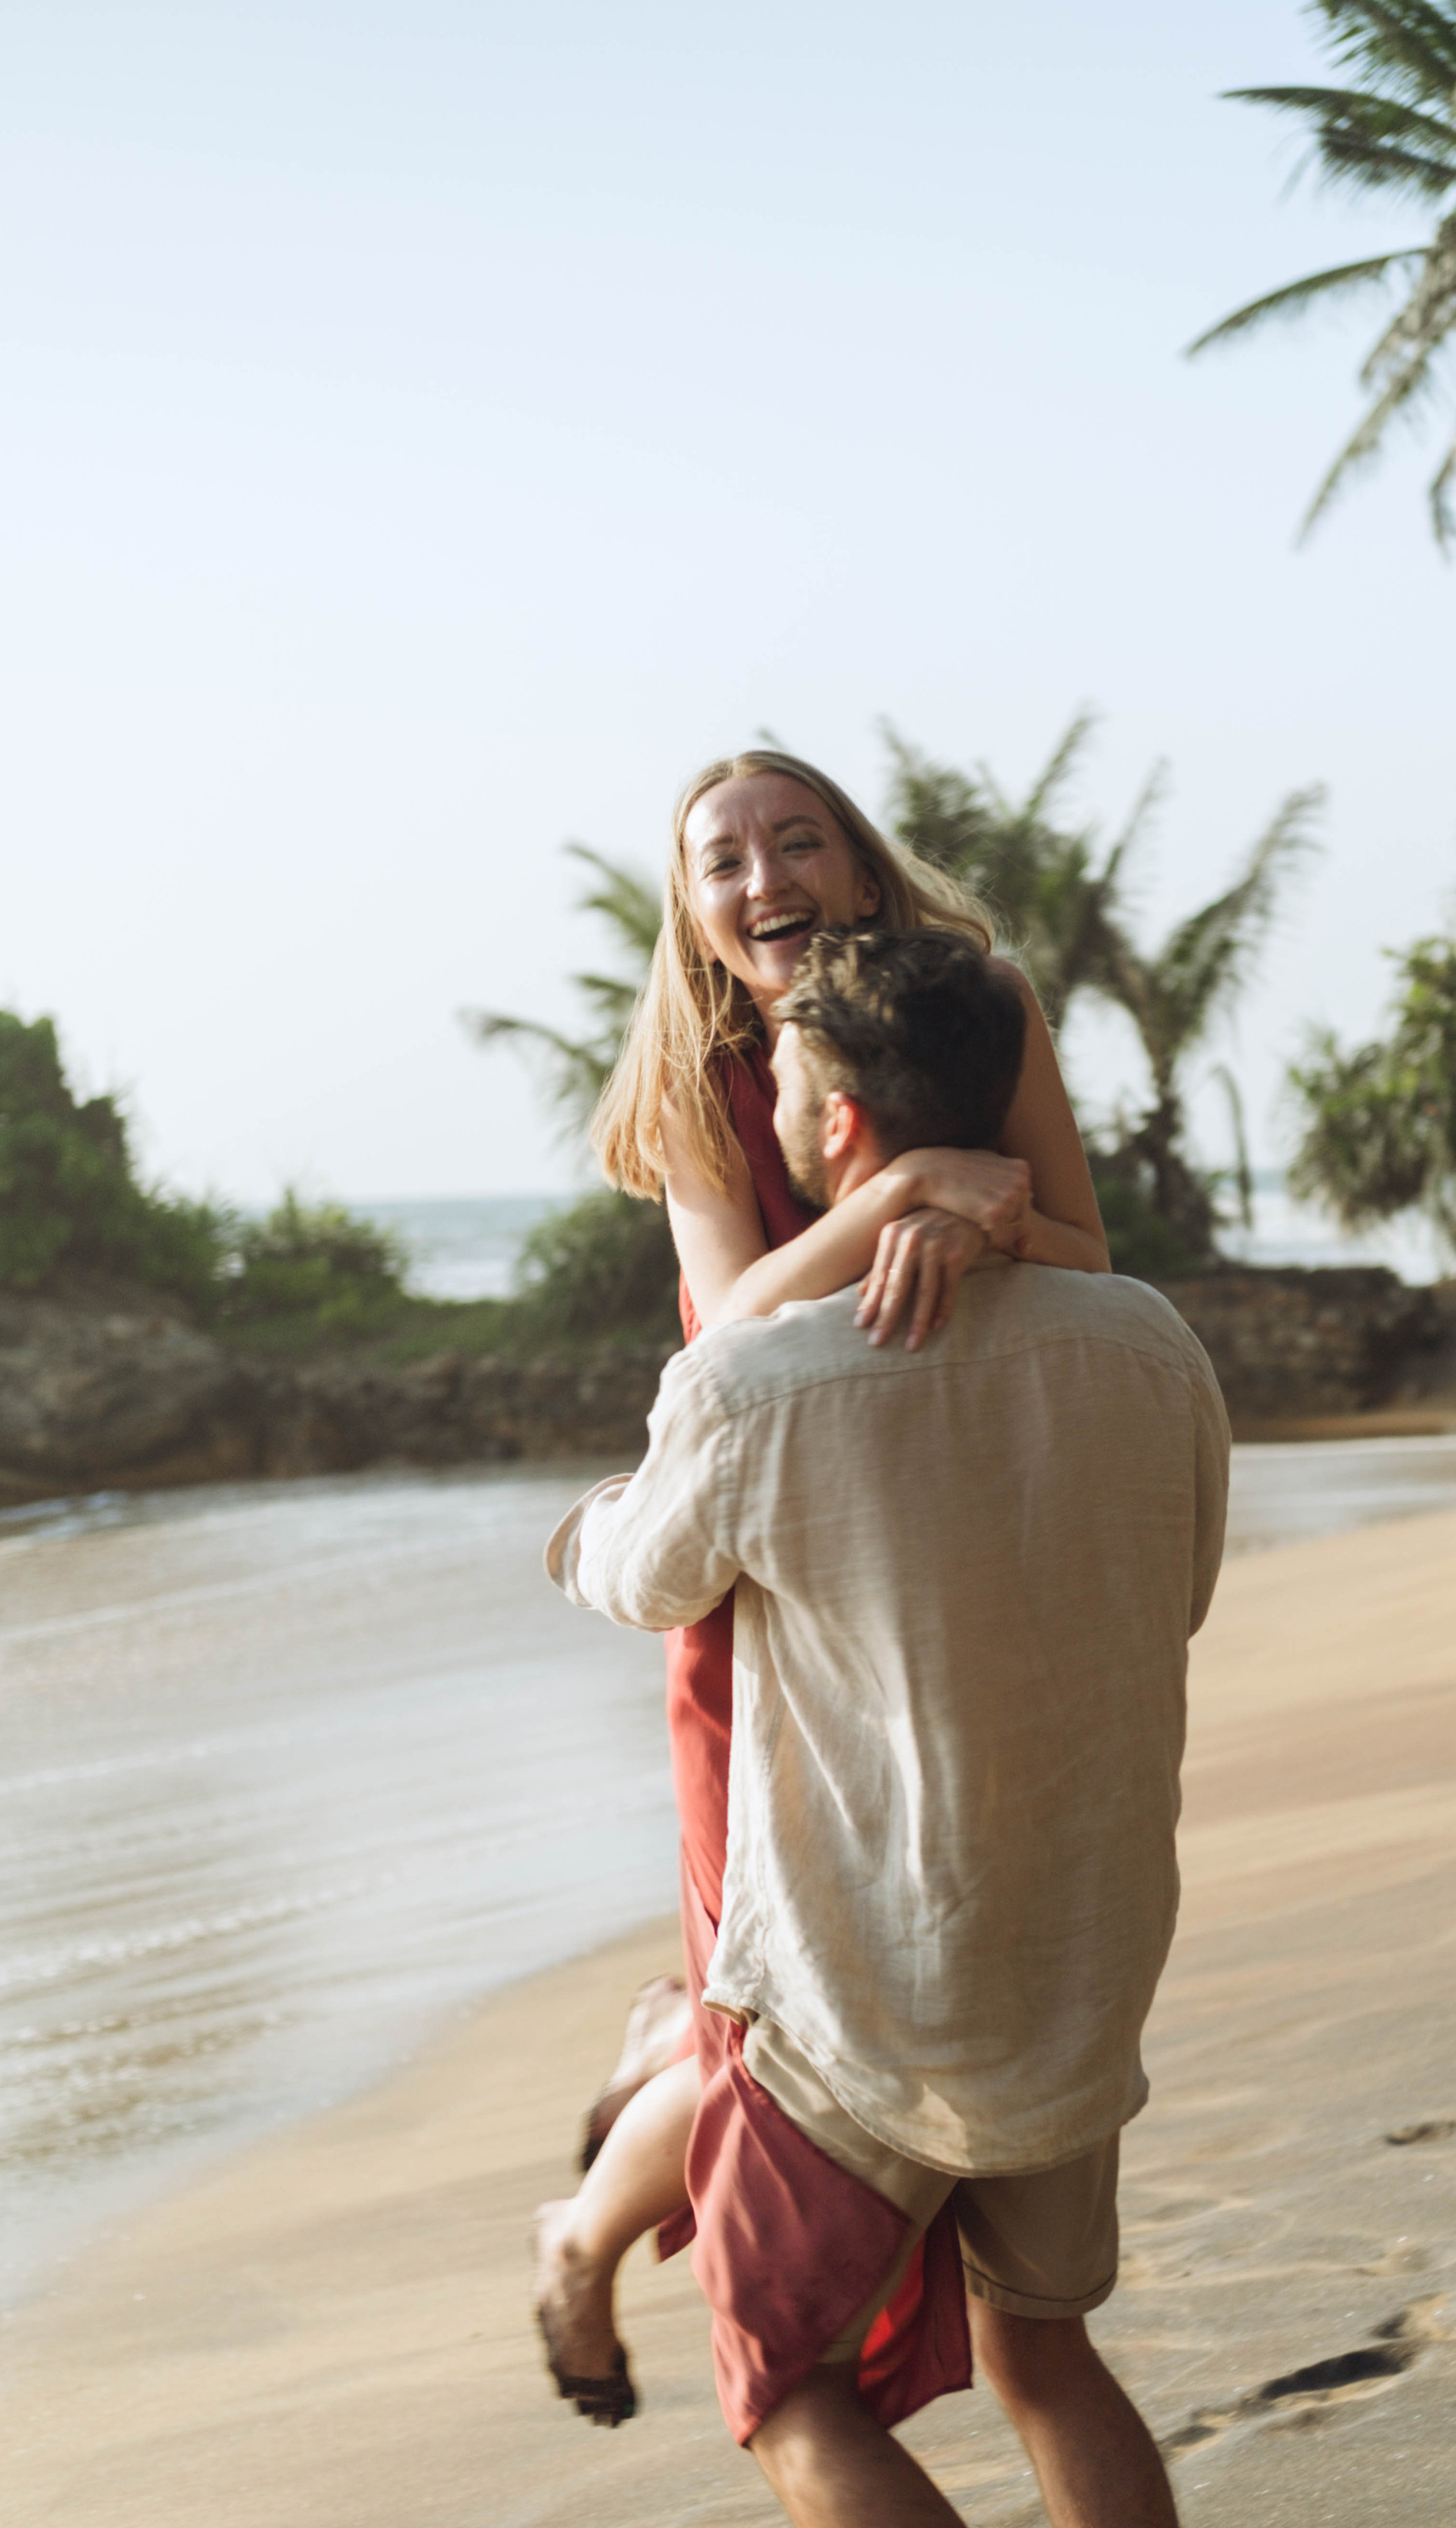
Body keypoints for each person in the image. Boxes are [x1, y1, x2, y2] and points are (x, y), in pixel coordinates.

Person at [547, 926, 1261, 2528]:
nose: (767, 1111)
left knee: (782, 2388)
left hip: (859, 2000)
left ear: (841, 1120)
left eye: (784, 1083)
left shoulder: (759, 1380)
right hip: (1078, 1965)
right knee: (1049, 2354)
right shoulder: (1145, 1338)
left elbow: (640, 1577)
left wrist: (575, 1529)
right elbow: (1179, 1584)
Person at [532, 747, 1109, 2425]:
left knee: (917, 1951)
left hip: (949, 1559)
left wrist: (981, 1226)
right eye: (724, 861)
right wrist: (913, 1194)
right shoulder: (690, 1079)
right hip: (767, 1579)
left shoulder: (977, 1007)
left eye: (797, 842)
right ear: (695, 913)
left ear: (860, 871)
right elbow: (727, 1324)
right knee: (779, 2008)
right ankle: (583, 2237)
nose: (763, 878)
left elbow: (1083, 1249)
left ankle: (653, 2075)